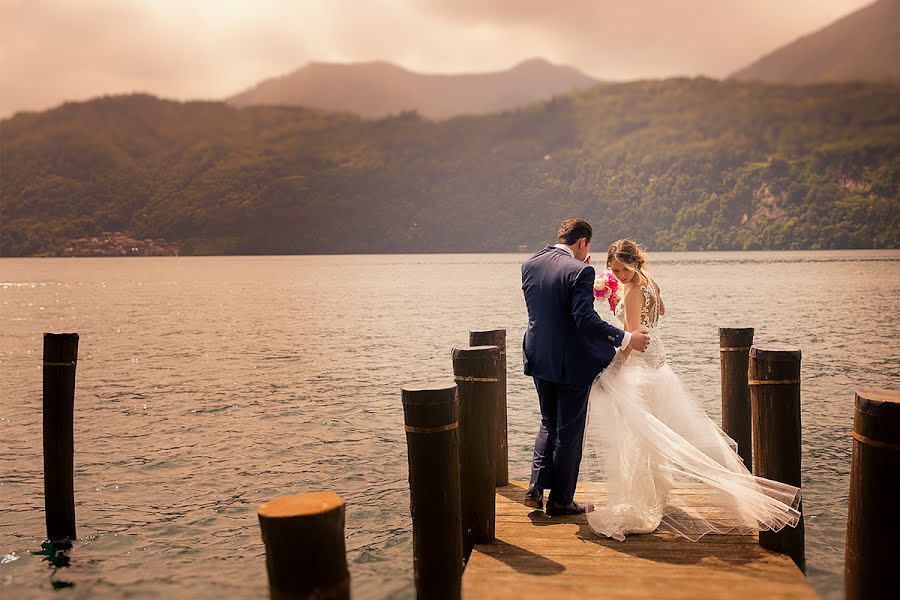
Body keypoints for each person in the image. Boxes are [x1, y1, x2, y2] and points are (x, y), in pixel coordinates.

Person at [585, 239, 801, 541]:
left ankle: (646, 503)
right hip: (659, 367)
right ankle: (655, 499)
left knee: (642, 438)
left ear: (635, 263)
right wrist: (621, 301)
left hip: (641, 371)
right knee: (653, 437)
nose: (619, 274)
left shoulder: (634, 291)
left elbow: (633, 339)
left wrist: (612, 370)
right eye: (614, 270)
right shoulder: (649, 283)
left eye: (623, 268)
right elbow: (660, 311)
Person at [521, 219, 650, 516]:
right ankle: (561, 501)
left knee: (548, 423)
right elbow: (584, 319)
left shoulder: (530, 264)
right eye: (587, 248)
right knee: (569, 431)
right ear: (582, 243)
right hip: (571, 364)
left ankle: (535, 488)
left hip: (538, 356)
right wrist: (626, 338)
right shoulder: (580, 270)